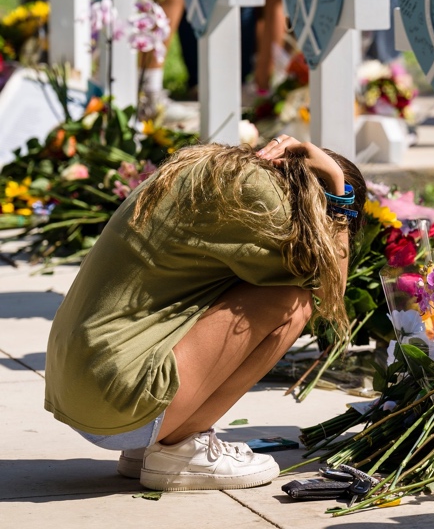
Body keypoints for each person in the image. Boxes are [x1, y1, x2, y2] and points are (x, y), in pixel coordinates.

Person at [44, 136, 366, 491]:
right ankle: (180, 448)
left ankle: (154, 441)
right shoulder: (263, 203)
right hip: (116, 401)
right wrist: (339, 190)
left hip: (82, 388)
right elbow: (328, 290)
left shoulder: (216, 175)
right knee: (292, 303)